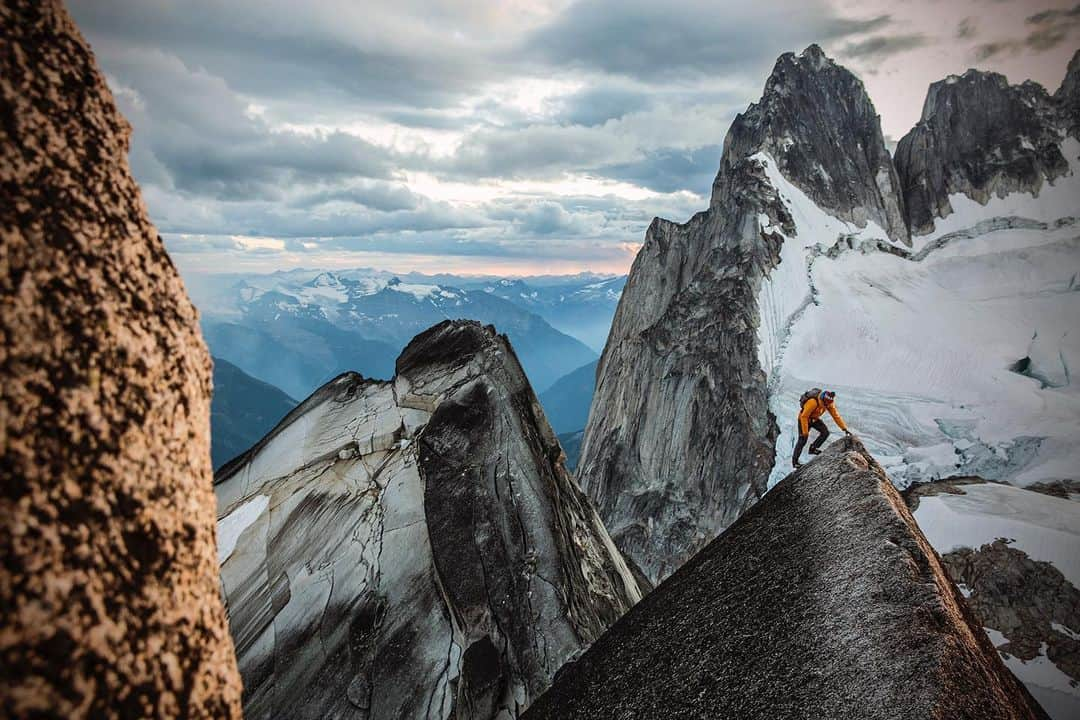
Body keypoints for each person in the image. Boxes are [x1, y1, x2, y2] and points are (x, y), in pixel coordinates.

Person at [792, 388, 851, 468]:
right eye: (826, 403)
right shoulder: (813, 402)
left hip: (815, 419)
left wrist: (844, 429)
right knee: (802, 440)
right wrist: (805, 432)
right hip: (804, 420)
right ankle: (795, 462)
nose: (827, 405)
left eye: (829, 403)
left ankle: (813, 448)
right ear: (823, 399)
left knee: (825, 433)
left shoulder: (829, 404)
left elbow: (836, 416)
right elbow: (804, 416)